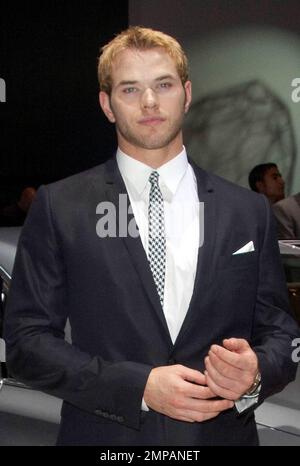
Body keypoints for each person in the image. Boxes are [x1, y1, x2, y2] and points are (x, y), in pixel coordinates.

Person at [3, 27, 299, 446]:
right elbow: (26, 344)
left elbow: (282, 334)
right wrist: (137, 388)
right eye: (130, 89)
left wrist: (255, 373)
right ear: (107, 105)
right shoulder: (60, 207)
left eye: (163, 84)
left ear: (187, 93)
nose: (149, 101)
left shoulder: (247, 212)